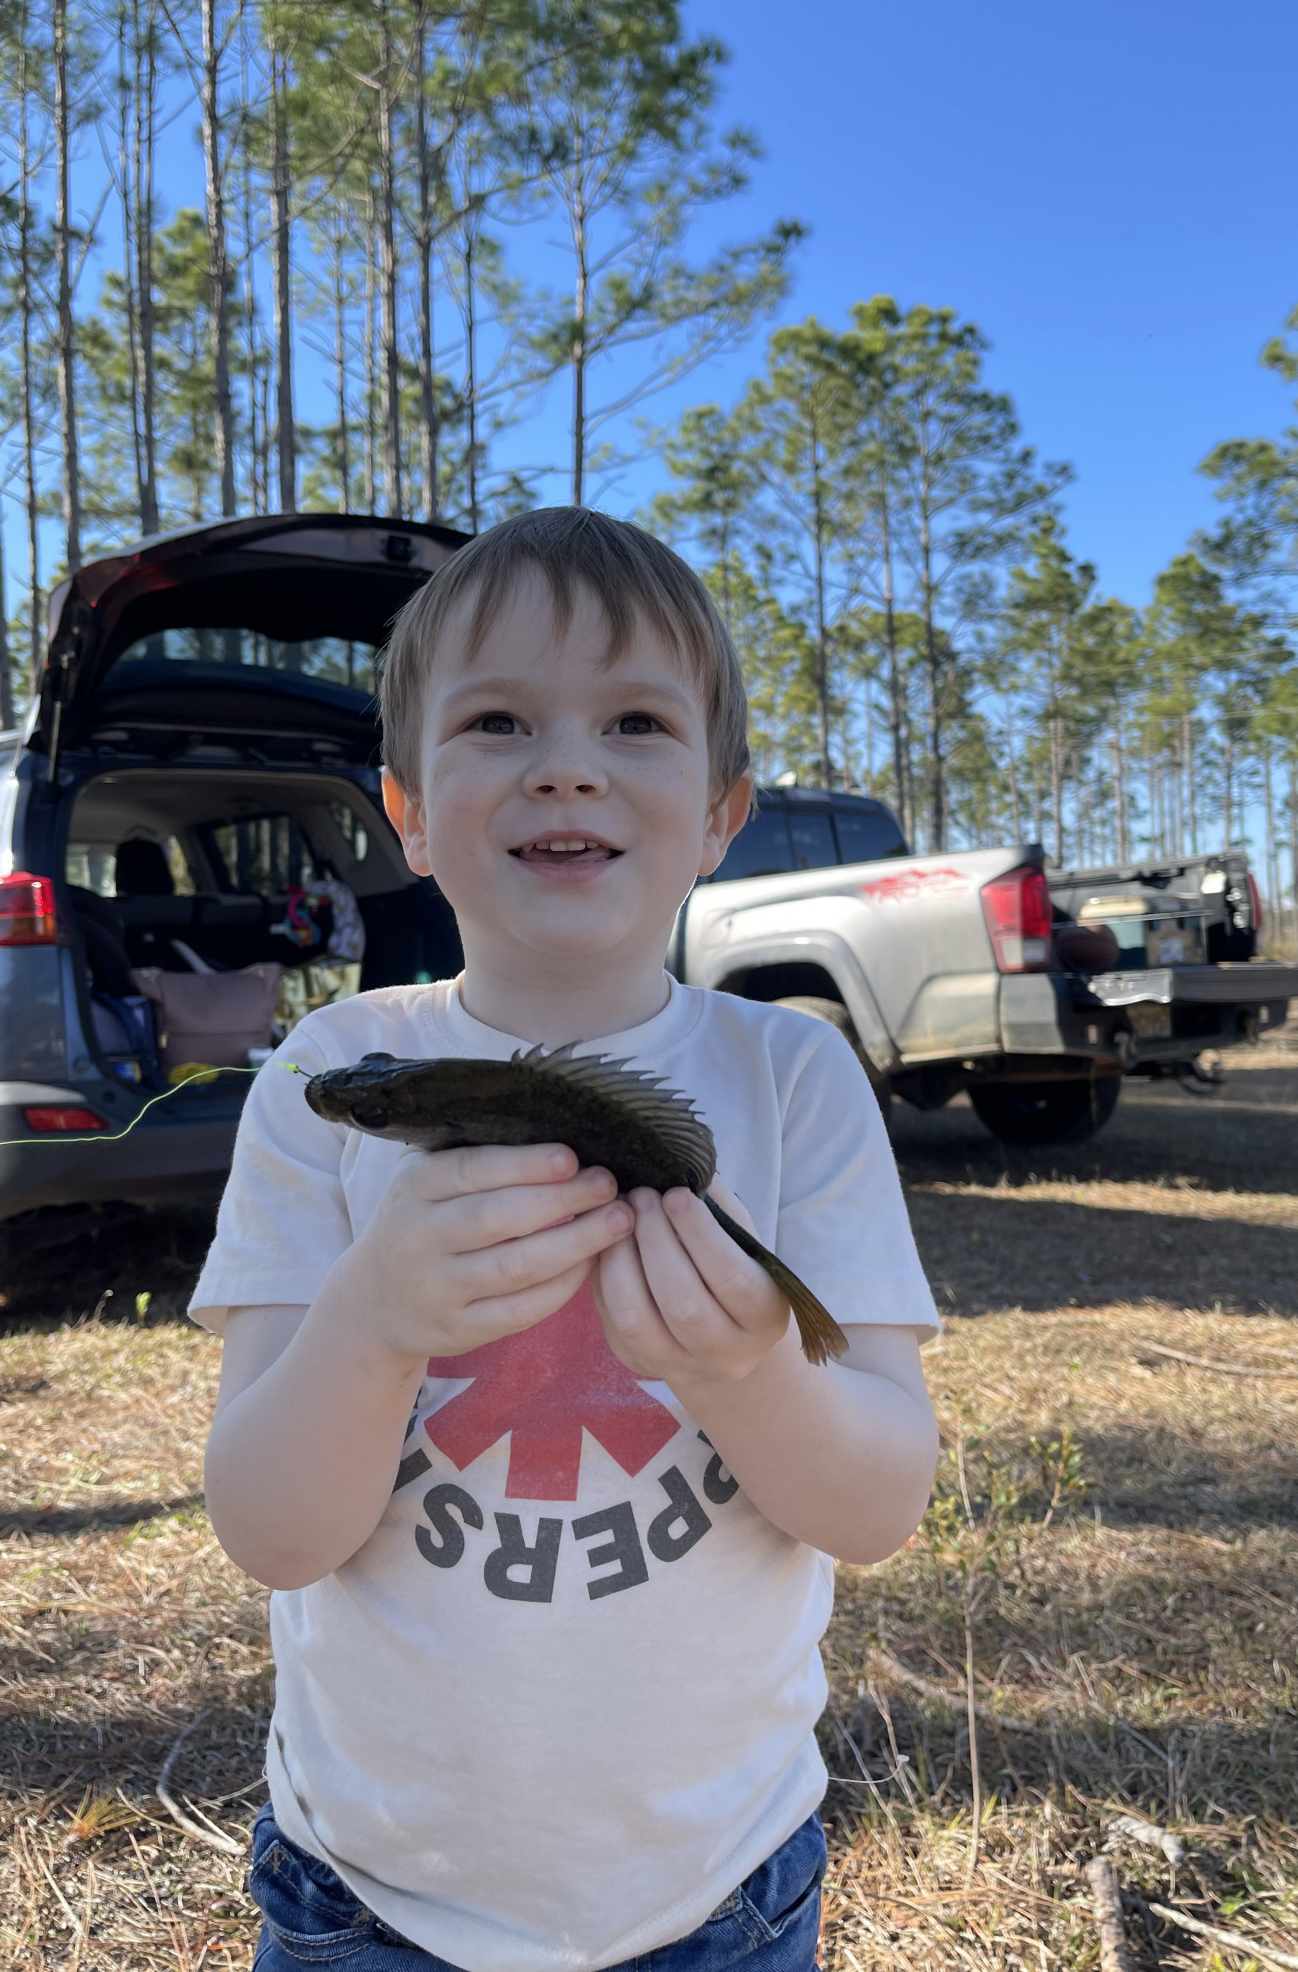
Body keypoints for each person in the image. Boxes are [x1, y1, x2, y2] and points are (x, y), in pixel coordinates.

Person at [191, 507, 942, 1972]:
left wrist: (746, 1373)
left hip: (718, 1893)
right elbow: (271, 1534)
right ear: (408, 811)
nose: (568, 765)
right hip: (369, 1896)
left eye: (636, 722)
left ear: (722, 812)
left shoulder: (796, 1079)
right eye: (499, 721)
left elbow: (876, 1508)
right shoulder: (320, 1080)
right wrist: (372, 1322)